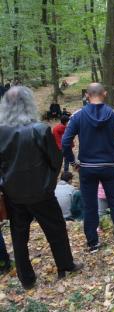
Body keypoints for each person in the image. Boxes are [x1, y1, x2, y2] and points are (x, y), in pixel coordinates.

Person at [0, 86, 82, 289]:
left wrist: (5, 186)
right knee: (56, 230)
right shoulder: (40, 129)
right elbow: (55, 159)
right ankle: (65, 265)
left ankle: (26, 279)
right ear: (29, 104)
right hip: (41, 193)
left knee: (19, 237)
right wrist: (48, 183)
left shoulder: (3, 131)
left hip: (14, 194)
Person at [62, 82, 114, 253]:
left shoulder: (78, 116)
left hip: (86, 168)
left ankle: (93, 243)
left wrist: (73, 163)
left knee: (90, 205)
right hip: (109, 167)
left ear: (87, 95)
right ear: (105, 93)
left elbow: (65, 142)